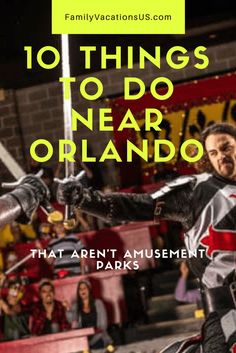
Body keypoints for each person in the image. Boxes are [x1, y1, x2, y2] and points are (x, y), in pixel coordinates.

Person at [57, 122, 236, 353]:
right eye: (213, 152)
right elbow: (140, 205)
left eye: (227, 147)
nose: (221, 156)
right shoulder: (196, 190)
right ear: (207, 159)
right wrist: (85, 199)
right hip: (226, 313)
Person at [69, 279, 113, 349]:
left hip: (98, 337)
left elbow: (103, 326)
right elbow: (72, 323)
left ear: (89, 290)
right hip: (82, 341)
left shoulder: (98, 303)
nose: (82, 290)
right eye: (80, 289)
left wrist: (92, 333)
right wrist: (68, 310)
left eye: (84, 288)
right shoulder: (75, 306)